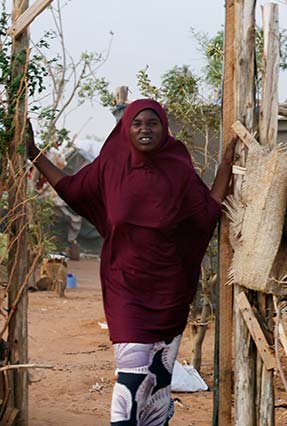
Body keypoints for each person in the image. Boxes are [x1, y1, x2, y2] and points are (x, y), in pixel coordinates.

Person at [26, 99, 236, 426]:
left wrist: (225, 164)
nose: (144, 129)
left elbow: (205, 214)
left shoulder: (178, 170)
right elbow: (70, 188)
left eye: (152, 123)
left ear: (163, 127)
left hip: (170, 292)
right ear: (126, 129)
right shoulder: (110, 167)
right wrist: (34, 153)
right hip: (126, 289)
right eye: (137, 123)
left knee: (158, 379)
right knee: (132, 375)